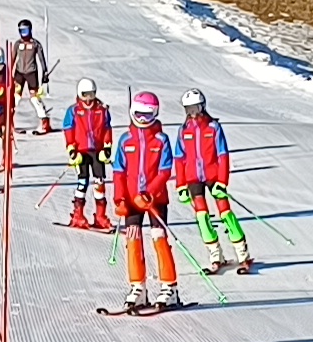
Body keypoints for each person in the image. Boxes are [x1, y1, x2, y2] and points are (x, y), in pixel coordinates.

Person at [106, 91, 185, 312]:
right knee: (133, 239)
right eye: (138, 114)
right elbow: (119, 171)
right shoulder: (126, 140)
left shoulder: (161, 140)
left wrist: (150, 193)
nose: (142, 119)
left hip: (155, 199)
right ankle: (138, 287)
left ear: (155, 114)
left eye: (148, 115)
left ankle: (169, 287)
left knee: (159, 238)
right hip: (131, 200)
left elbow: (164, 170)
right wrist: (119, 198)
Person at [172, 90, 255, 273]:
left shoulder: (213, 127)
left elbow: (223, 155)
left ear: (202, 107)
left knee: (225, 212)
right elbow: (179, 158)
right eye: (188, 109)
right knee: (202, 216)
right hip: (193, 177)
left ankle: (242, 254)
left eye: (195, 108)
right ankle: (215, 256)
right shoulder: (184, 130)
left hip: (213, 176)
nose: (192, 113)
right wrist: (181, 185)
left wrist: (222, 181)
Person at [60, 80, 114, 228]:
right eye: (85, 95)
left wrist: (107, 147)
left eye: (91, 94)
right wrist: (71, 149)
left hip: (97, 151)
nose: (88, 99)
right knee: (82, 181)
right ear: (79, 94)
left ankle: (100, 216)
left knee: (99, 182)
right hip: (81, 152)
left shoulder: (102, 110)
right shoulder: (74, 111)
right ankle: (78, 214)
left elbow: (107, 129)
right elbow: (68, 129)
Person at [6, 20, 52, 129]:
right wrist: (8, 73)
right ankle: (9, 122)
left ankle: (44, 121)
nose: (24, 34)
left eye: (26, 31)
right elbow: (12, 59)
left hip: (31, 73)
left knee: (34, 98)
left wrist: (44, 73)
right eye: (22, 31)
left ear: (30, 30)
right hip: (19, 73)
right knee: (15, 98)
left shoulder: (35, 44)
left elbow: (41, 59)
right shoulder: (18, 44)